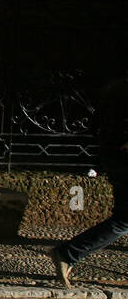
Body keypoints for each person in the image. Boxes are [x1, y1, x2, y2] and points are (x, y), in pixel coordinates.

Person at [51, 70, 128, 286]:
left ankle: (68, 253)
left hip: (114, 156)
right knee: (124, 219)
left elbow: (96, 123)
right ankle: (68, 253)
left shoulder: (116, 85)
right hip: (123, 158)